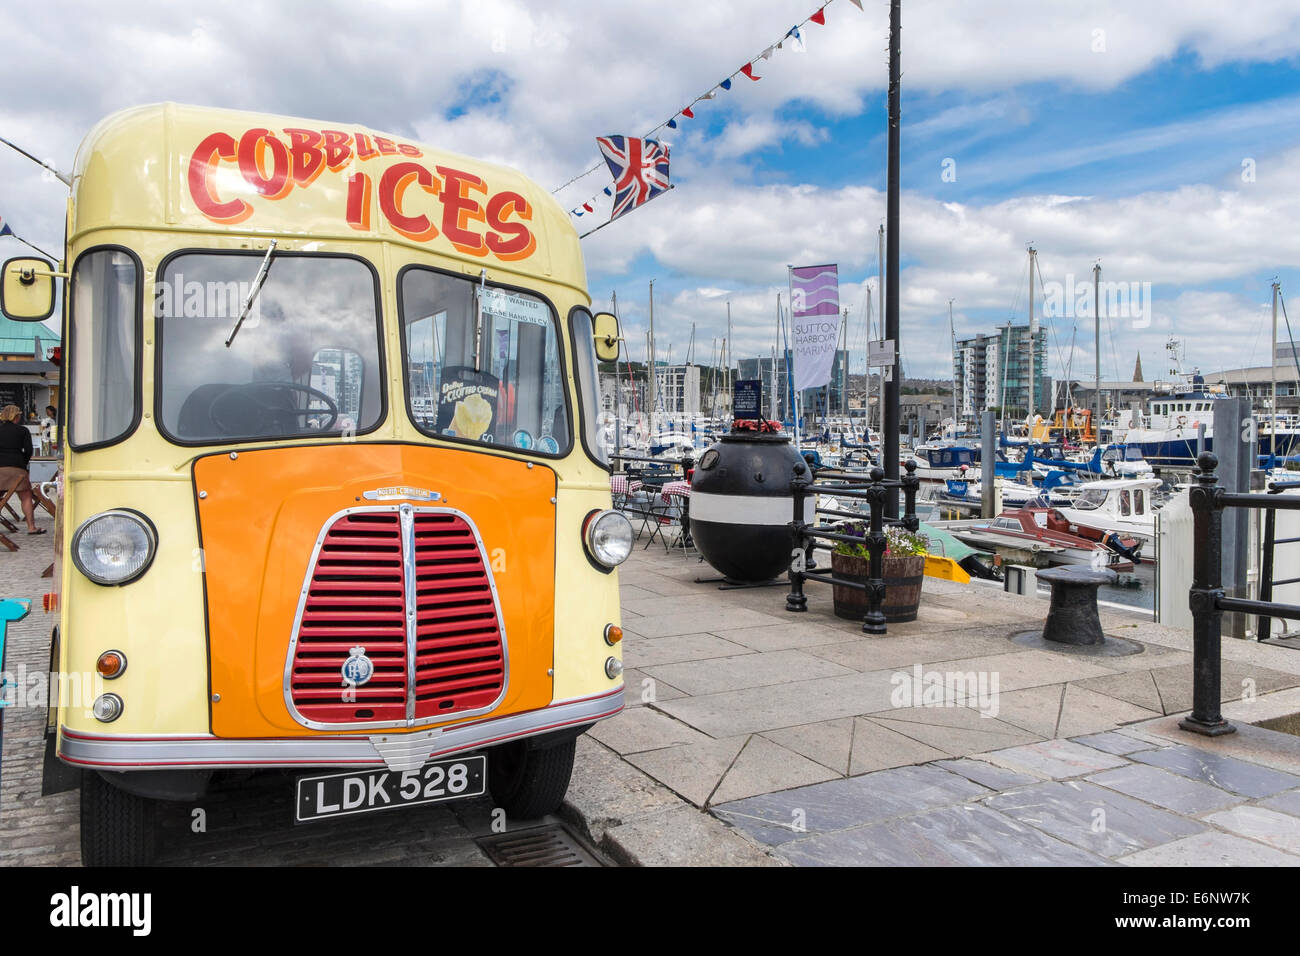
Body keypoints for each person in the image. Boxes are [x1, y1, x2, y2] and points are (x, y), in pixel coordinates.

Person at [0, 404, 45, 534]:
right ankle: (31, 527)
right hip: (17, 468)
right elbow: (29, 450)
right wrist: (23, 464)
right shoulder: (23, 430)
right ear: (17, 416)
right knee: (26, 496)